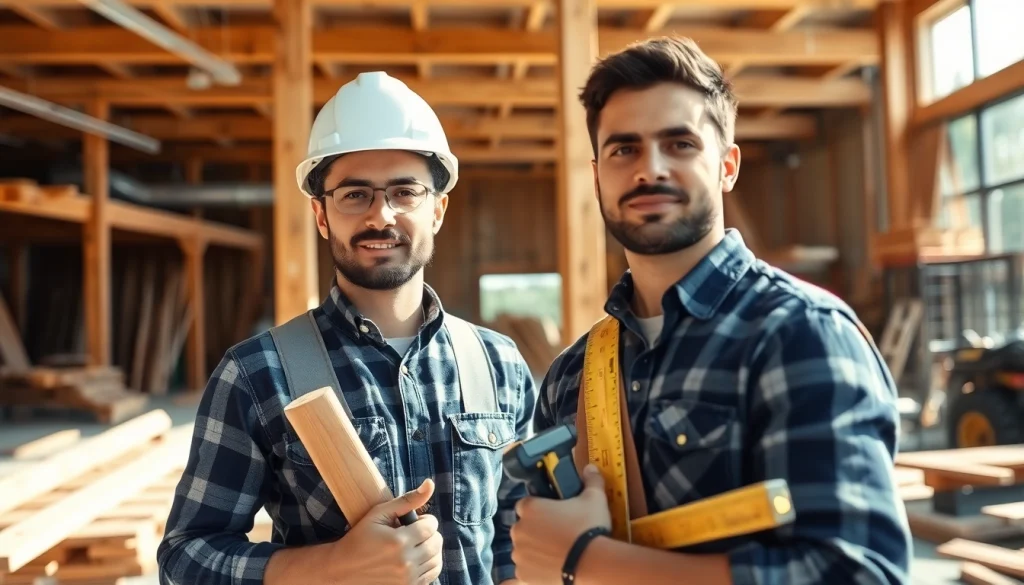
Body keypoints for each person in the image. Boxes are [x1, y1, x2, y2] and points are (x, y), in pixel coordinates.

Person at [508, 37, 912, 585]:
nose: (649, 169)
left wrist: (589, 561)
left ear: (727, 165)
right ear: (597, 173)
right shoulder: (571, 376)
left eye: (678, 144)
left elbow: (858, 573)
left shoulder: (801, 334)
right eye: (623, 149)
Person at [157, 71, 538, 585]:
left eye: (405, 192)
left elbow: (520, 531)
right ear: (321, 215)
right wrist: (331, 567)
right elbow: (184, 559)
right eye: (355, 195)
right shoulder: (256, 374)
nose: (381, 215)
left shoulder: (499, 365)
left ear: (439, 209)